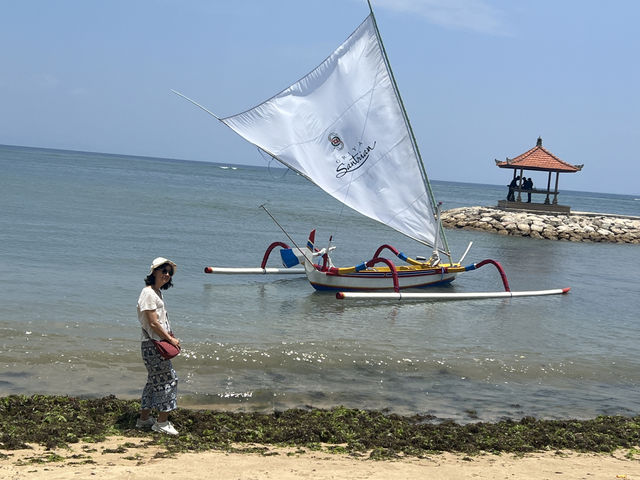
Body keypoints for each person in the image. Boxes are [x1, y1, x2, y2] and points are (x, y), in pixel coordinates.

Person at [136, 257, 181, 435]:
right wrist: (170, 340)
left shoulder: (156, 292)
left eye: (169, 272)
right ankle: (162, 423)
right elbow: (153, 323)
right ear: (154, 271)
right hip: (153, 345)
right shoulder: (148, 293)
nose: (167, 275)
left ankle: (144, 419)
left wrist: (170, 336)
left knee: (153, 382)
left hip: (153, 344)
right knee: (170, 379)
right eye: (164, 270)